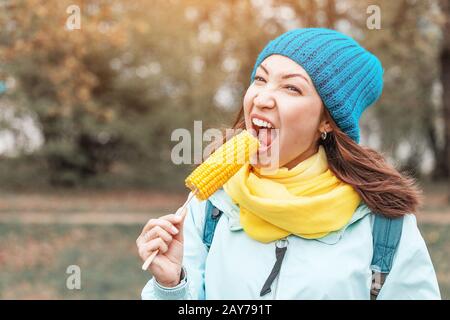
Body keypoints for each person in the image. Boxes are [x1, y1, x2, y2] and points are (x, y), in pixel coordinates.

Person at [136, 28, 441, 299]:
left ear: (327, 122)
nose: (263, 98)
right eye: (260, 79)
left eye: (291, 88)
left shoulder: (383, 225)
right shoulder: (213, 206)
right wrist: (171, 285)